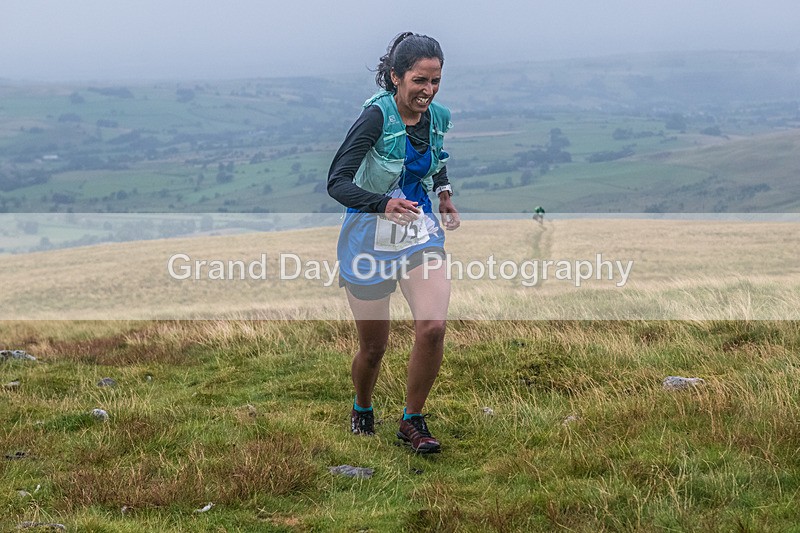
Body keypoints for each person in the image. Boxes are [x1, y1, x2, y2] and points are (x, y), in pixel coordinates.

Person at [327, 32, 460, 454]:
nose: (429, 90)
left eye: (435, 80)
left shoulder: (437, 116)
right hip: (367, 234)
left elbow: (435, 159)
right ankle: (362, 406)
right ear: (395, 77)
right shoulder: (374, 119)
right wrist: (382, 203)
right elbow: (337, 183)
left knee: (433, 326)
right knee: (374, 347)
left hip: (417, 231)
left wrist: (443, 195)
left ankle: (412, 420)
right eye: (420, 81)